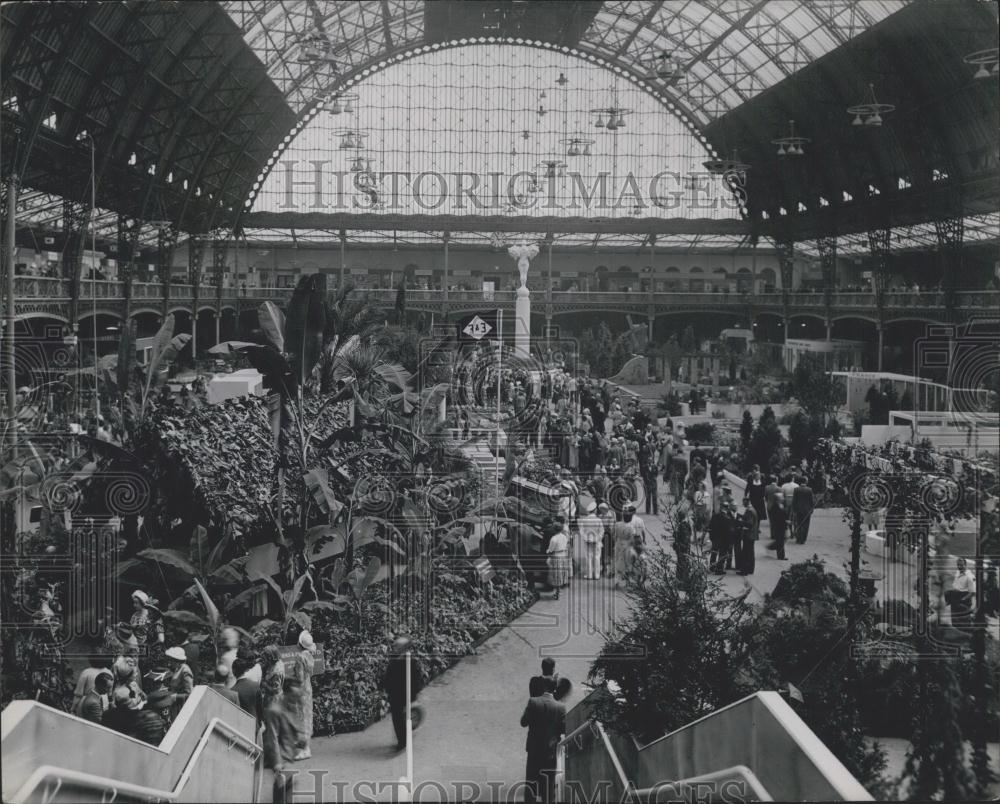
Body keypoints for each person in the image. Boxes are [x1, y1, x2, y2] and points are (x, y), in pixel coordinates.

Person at [520, 676, 566, 804]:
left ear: (544, 687)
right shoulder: (561, 707)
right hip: (550, 752)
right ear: (554, 688)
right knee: (548, 787)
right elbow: (563, 729)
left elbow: (523, 722)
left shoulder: (533, 702)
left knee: (531, 786)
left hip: (534, 750)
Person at [263, 679, 304, 804]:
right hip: (281, 758)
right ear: (287, 694)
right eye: (294, 696)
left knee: (287, 787)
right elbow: (272, 737)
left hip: (288, 755)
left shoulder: (290, 705)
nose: (297, 699)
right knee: (282, 789)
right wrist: (277, 763)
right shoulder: (274, 710)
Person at [383, 636, 423, 751]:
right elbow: (388, 675)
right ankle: (402, 740)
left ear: (404, 648)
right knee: (397, 718)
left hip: (405, 694)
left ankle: (403, 741)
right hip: (395, 694)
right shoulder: (394, 658)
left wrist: (413, 695)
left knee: (402, 718)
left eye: (398, 646)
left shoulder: (411, 661)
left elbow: (416, 679)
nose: (395, 648)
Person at [288, 631, 316, 760]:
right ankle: (305, 745)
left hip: (300, 689)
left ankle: (305, 749)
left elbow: (299, 678)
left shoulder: (300, 657)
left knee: (301, 717)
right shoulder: (309, 655)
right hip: (308, 688)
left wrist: (289, 678)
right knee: (307, 716)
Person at [611, 503, 646, 586]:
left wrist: (616, 541)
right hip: (627, 546)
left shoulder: (617, 524)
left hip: (618, 544)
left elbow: (613, 534)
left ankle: (617, 580)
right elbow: (632, 539)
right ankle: (627, 581)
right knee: (627, 563)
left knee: (617, 562)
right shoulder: (631, 527)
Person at [577, 501, 605, 580]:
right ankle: (596, 575)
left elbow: (581, 531)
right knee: (596, 557)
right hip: (597, 541)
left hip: (587, 541)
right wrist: (597, 538)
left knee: (588, 557)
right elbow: (602, 531)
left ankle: (589, 575)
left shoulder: (584, 520)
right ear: (595, 510)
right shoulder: (598, 520)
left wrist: (586, 538)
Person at [232, 657, 263, 725]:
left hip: (243, 726)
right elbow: (260, 708)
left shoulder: (233, 691)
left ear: (233, 671)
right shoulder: (255, 685)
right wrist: (260, 722)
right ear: (245, 670)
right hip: (255, 723)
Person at [546, 517, 571, 598]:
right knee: (561, 573)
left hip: (556, 556)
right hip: (563, 555)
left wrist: (548, 552)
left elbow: (551, 549)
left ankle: (557, 592)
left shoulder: (553, 538)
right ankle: (559, 590)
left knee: (556, 574)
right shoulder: (564, 537)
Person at [165, 646, 194, 713]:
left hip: (181, 706)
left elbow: (189, 693)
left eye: (171, 660)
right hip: (174, 704)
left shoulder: (185, 671)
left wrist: (174, 696)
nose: (169, 663)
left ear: (177, 660)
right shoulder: (177, 668)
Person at [708, 503, 735, 575]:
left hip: (715, 539)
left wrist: (711, 537)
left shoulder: (715, 516)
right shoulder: (728, 518)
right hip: (724, 540)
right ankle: (719, 569)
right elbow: (730, 530)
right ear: (727, 508)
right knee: (722, 554)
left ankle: (712, 567)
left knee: (714, 553)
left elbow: (710, 527)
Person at [950, 558, 976, 631]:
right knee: (955, 622)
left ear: (965, 565)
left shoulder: (970, 576)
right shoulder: (958, 572)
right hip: (955, 599)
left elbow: (972, 592)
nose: (959, 566)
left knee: (964, 623)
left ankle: (967, 638)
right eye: (958, 565)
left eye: (961, 565)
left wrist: (962, 600)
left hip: (964, 600)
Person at [766, 474, 787, 560]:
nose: (783, 498)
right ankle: (779, 554)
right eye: (782, 497)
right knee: (781, 540)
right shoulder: (779, 489)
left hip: (769, 506)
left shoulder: (767, 488)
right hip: (779, 525)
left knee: (781, 539)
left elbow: (766, 497)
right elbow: (778, 518)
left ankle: (773, 543)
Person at [735, 504, 759, 576]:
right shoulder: (753, 509)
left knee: (746, 553)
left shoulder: (749, 511)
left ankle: (744, 570)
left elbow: (749, 524)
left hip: (748, 535)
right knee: (750, 553)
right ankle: (750, 569)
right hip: (752, 535)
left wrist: (740, 523)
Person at [260, 645, 286, 711]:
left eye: (264, 657)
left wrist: (264, 684)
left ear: (270, 657)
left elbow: (275, 690)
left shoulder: (276, 672)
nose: (263, 659)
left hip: (273, 701)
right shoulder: (276, 663)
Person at [792, 476, 815, 545]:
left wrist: (794, 509)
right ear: (805, 481)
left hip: (798, 509)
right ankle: (803, 539)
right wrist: (812, 509)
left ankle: (798, 538)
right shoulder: (809, 490)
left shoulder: (796, 489)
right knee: (806, 525)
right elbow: (811, 501)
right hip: (807, 510)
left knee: (798, 524)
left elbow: (794, 501)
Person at [598, 502, 616, 578]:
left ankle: (611, 569)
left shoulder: (610, 515)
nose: (601, 511)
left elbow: (611, 527)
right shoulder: (600, 516)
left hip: (608, 536)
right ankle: (604, 568)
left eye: (602, 509)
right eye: (600, 509)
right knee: (603, 552)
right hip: (603, 536)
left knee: (609, 552)